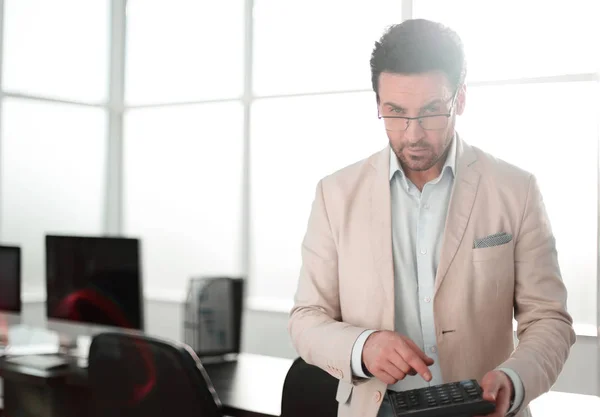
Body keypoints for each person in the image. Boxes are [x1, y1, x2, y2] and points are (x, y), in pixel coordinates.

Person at [288, 19, 575, 417]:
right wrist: (362, 347)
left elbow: (549, 319)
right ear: (377, 104)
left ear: (459, 99)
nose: (412, 134)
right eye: (395, 113)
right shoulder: (334, 193)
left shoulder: (516, 189)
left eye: (431, 112)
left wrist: (514, 377)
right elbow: (306, 319)